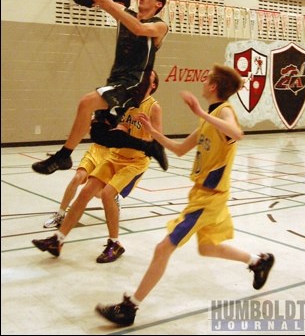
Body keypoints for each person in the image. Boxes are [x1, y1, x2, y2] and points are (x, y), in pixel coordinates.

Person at [95, 64, 275, 326]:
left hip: (209, 197)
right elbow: (179, 149)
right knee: (208, 247)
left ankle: (129, 307)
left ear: (213, 87)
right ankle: (258, 262)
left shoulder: (223, 111)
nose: (203, 82)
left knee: (163, 248)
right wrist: (153, 133)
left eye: (206, 79)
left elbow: (237, 133)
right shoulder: (208, 117)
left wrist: (200, 111)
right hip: (205, 195)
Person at [32, 0, 168, 175]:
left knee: (86, 103)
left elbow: (138, 27)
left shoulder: (159, 26)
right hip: (116, 78)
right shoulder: (127, 14)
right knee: (99, 132)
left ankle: (63, 157)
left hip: (135, 81)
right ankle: (149, 146)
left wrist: (111, 6)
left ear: (158, 5)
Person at [32, 70, 164, 263]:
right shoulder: (127, 101)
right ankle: (57, 240)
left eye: (148, 78)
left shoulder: (154, 108)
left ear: (153, 85)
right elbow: (120, 128)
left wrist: (149, 130)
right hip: (114, 156)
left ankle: (115, 243)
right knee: (86, 191)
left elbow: (158, 141)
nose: (142, 79)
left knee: (108, 193)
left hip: (135, 161)